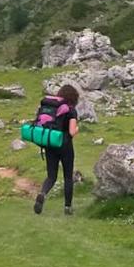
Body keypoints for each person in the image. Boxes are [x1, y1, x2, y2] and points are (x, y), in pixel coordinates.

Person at [34, 84, 81, 216]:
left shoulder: (52, 107)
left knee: (51, 176)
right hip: (65, 146)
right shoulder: (71, 110)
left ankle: (42, 193)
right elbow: (71, 132)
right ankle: (67, 208)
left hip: (50, 144)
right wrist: (78, 129)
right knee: (68, 177)